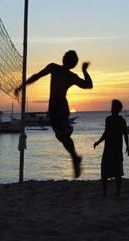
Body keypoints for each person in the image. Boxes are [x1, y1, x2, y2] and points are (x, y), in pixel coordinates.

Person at [15, 50, 93, 178]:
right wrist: (84, 71)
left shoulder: (56, 69)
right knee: (62, 136)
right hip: (59, 106)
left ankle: (75, 157)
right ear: (73, 64)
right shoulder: (67, 74)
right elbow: (88, 85)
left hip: (57, 106)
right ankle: (75, 156)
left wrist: (22, 86)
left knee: (62, 136)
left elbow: (36, 76)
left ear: (64, 59)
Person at [94, 99, 129, 197]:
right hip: (115, 149)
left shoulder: (110, 119)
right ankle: (115, 192)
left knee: (106, 172)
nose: (111, 108)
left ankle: (106, 192)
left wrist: (127, 146)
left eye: (112, 106)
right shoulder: (121, 120)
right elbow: (125, 135)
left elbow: (107, 133)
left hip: (110, 149)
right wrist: (127, 146)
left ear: (116, 108)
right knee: (116, 172)